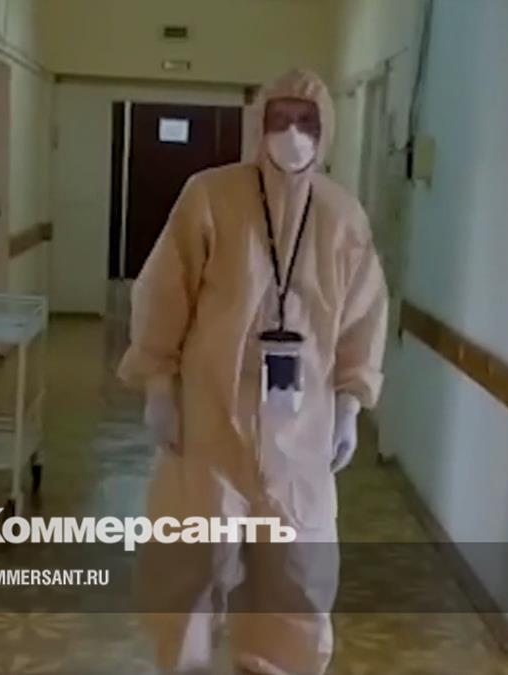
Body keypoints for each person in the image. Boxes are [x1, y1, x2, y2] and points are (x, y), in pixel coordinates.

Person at [118, 68, 389, 675]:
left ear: (327, 129)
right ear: (257, 124)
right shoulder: (211, 197)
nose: (292, 134)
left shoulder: (342, 216)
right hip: (211, 417)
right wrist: (159, 385)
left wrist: (349, 405)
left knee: (295, 571)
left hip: (301, 428)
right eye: (279, 119)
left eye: (306, 122)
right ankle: (183, 665)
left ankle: (274, 666)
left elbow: (363, 317)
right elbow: (164, 290)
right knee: (192, 559)